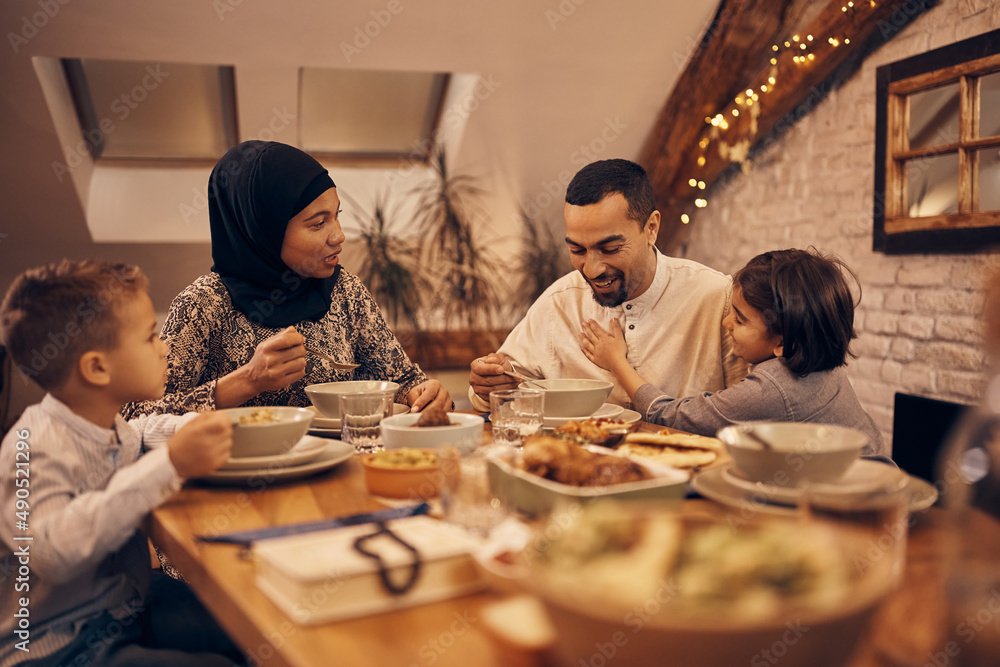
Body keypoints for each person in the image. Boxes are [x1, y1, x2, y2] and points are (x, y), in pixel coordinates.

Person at [0, 260, 244, 666]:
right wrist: (170, 464)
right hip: (57, 644)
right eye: (150, 336)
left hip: (120, 608)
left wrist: (189, 429)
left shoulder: (101, 420)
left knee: (240, 621)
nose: (164, 346)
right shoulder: (31, 450)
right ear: (97, 367)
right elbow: (53, 552)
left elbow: (139, 432)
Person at [124, 140, 449, 419]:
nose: (339, 236)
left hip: (338, 473)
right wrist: (248, 381)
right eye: (318, 223)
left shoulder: (344, 290)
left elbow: (401, 379)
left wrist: (425, 393)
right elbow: (136, 417)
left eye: (337, 216)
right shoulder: (204, 304)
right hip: (237, 483)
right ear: (263, 230)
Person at [468, 159, 747, 411]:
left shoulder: (715, 297)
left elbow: (751, 411)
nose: (591, 269)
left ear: (651, 229)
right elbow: (501, 390)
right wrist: (491, 384)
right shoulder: (558, 302)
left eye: (610, 248)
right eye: (577, 250)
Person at [580, 248, 886, 456]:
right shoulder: (820, 362)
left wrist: (616, 362)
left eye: (739, 319)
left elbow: (672, 417)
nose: (726, 323)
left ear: (783, 343)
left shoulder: (775, 388)